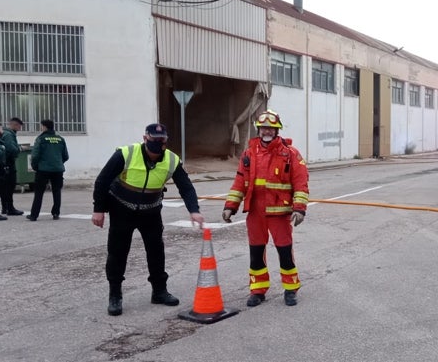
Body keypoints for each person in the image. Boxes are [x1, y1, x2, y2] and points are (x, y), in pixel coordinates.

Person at [92, 123, 205, 316]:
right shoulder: (126, 153)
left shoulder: (171, 160)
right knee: (117, 253)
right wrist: (98, 210)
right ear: (145, 139)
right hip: (122, 209)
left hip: (151, 212)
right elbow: (102, 181)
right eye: (153, 140)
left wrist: (194, 210)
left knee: (156, 251)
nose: (158, 144)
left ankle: (159, 291)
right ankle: (115, 295)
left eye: (161, 141)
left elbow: (185, 187)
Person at [222, 110, 309, 307]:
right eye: (263, 128)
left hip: (279, 212)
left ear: (277, 130)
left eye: (271, 128)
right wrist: (230, 206)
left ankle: (290, 289)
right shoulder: (249, 153)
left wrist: (300, 208)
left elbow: (301, 182)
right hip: (255, 211)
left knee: (284, 252)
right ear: (259, 130)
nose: (267, 131)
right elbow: (239, 182)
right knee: (256, 253)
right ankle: (258, 290)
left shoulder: (290, 153)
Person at [27, 120, 69, 221]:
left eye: (41, 126)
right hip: (58, 169)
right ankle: (56, 213)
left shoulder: (41, 139)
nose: (41, 128)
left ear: (44, 127)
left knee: (39, 192)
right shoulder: (60, 139)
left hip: (43, 169)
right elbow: (65, 156)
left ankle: (34, 215)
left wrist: (35, 166)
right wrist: (58, 163)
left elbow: (35, 155)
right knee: (56, 191)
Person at [0, 117, 24, 215]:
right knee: (9, 186)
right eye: (19, 126)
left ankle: (5, 208)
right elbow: (11, 149)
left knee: (5, 187)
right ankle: (10, 208)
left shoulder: (5, 133)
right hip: (8, 163)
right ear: (14, 125)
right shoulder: (9, 135)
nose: (20, 128)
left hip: (3, 163)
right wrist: (19, 149)